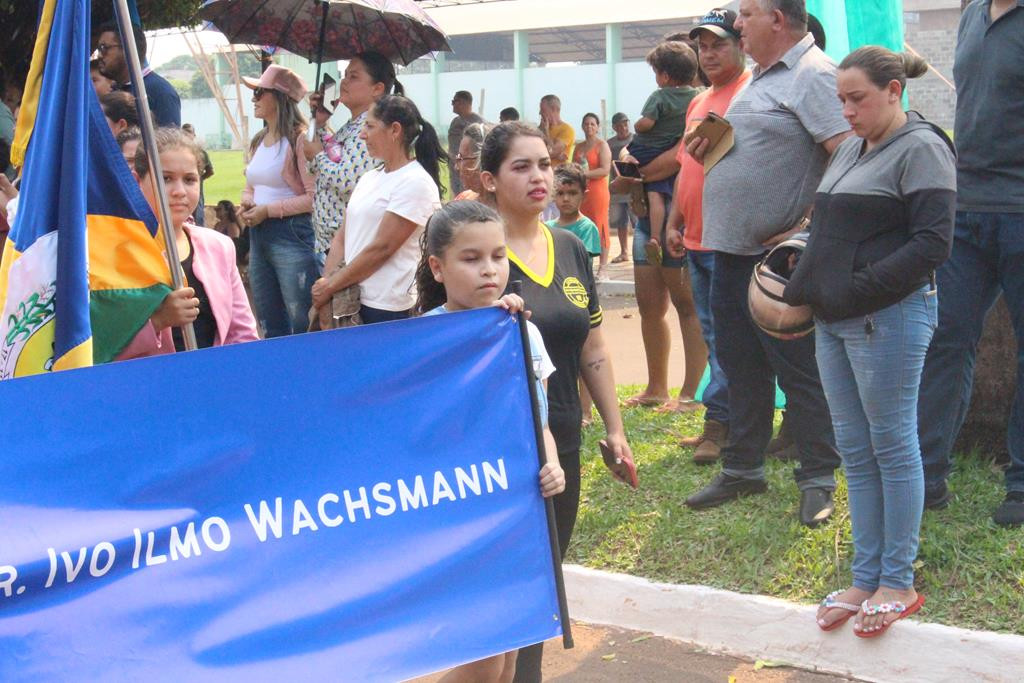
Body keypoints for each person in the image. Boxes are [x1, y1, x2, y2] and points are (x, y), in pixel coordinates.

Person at [783, 47, 953, 636]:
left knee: (893, 445)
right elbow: (828, 226)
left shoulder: (924, 148)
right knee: (855, 448)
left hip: (891, 317)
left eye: (857, 98)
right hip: (836, 318)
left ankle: (898, 580)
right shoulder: (853, 147)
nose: (847, 111)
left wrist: (855, 289)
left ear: (893, 91)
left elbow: (933, 246)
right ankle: (866, 576)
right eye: (842, 100)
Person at [477, 122, 633, 683]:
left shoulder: (569, 245)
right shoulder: (479, 252)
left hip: (560, 440)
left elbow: (592, 345)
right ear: (489, 180)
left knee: (545, 581)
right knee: (507, 589)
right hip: (495, 449)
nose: (539, 177)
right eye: (521, 167)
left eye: (544, 164)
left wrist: (615, 430)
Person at [684, 0, 849, 526]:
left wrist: (808, 228)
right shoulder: (760, 78)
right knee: (740, 364)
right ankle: (743, 470)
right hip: (730, 253)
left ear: (778, 19)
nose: (736, 24)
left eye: (747, 14)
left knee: (800, 373)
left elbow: (848, 154)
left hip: (776, 264)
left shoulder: (814, 74)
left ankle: (818, 478)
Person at [413, 200, 566, 683]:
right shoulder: (421, 341)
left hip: (520, 510)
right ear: (437, 267)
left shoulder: (524, 332)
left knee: (510, 655)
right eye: (471, 258)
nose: (489, 270)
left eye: (498, 256)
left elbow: (538, 421)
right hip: (459, 514)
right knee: (481, 659)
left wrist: (553, 464)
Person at [918, 0, 1024, 526]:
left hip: (1021, 208)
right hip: (967, 208)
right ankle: (926, 475)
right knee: (944, 337)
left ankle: (1022, 485)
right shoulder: (972, 15)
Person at [664, 8, 750, 462]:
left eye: (719, 44)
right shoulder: (700, 101)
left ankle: (724, 427)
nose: (709, 53)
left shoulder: (750, 92)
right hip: (696, 238)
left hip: (730, 239)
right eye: (703, 45)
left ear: (741, 44)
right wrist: (675, 220)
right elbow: (686, 166)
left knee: (731, 337)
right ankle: (722, 422)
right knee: (715, 333)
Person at [117, 127, 258, 359]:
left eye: (190, 180)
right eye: (166, 179)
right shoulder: (117, 252)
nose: (179, 191)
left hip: (212, 382)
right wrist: (158, 321)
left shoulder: (219, 247)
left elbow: (242, 333)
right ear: (136, 182)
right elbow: (100, 349)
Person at [311, 95, 445, 324]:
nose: (363, 134)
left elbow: (382, 248)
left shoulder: (415, 182)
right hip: (353, 299)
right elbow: (342, 238)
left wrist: (331, 285)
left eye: (370, 126)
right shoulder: (370, 178)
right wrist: (326, 287)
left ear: (394, 130)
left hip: (387, 306)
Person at [240, 64, 319, 338]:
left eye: (260, 92)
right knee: (268, 319)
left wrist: (267, 211)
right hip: (259, 233)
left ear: (280, 97)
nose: (254, 98)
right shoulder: (259, 140)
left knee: (301, 319)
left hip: (291, 234)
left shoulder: (300, 140)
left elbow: (312, 198)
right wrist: (247, 203)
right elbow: (251, 185)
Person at [303, 53, 396, 264]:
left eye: (353, 77)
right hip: (337, 244)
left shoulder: (371, 130)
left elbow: (348, 181)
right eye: (344, 75)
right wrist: (316, 122)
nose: (344, 81)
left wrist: (318, 156)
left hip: (353, 246)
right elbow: (313, 164)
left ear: (377, 89)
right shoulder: (351, 127)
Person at [629, 41, 699, 256]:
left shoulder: (659, 96)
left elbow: (646, 124)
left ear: (665, 76)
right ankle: (655, 235)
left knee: (650, 189)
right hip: (671, 149)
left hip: (649, 149)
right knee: (659, 191)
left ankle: (654, 235)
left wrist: (638, 125)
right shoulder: (697, 97)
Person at [94, 21, 181, 128]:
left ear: (128, 49)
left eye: (104, 48)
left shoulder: (161, 93)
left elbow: (169, 143)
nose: (99, 56)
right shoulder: (113, 91)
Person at [572, 113, 612, 280]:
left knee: (599, 225)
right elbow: (573, 166)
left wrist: (585, 174)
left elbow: (605, 170)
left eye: (592, 124)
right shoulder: (579, 147)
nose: (589, 127)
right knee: (580, 225)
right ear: (582, 126)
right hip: (581, 191)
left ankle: (602, 268)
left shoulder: (602, 145)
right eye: (586, 124)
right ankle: (583, 265)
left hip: (597, 191)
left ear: (598, 127)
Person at [546, 164, 600, 258]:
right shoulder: (547, 228)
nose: (566, 199)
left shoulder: (587, 228)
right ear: (553, 195)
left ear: (584, 196)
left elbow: (580, 261)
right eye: (560, 193)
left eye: (572, 193)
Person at [606, 112, 633, 264]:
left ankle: (642, 251)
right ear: (614, 127)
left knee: (640, 221)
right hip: (616, 188)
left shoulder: (635, 140)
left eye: (625, 124)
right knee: (620, 222)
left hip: (634, 186)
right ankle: (624, 252)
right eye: (619, 125)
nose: (623, 127)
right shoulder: (610, 144)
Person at [447, 91, 485, 197]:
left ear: (464, 103)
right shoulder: (455, 122)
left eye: (455, 101)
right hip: (455, 167)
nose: (452, 105)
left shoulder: (479, 123)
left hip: (469, 168)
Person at [182, 123, 213, 227]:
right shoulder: (177, 152)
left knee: (198, 216)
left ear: (194, 135)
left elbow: (210, 171)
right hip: (181, 188)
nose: (186, 134)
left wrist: (199, 179)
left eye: (189, 132)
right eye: (184, 132)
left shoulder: (201, 153)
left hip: (196, 191)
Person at [453, 122, 493, 202]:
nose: (456, 167)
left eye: (461, 158)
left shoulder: (511, 208)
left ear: (480, 160)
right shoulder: (463, 200)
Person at [538, 95, 574, 166]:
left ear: (554, 109)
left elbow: (552, 152)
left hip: (559, 175)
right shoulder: (539, 129)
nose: (540, 113)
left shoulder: (567, 130)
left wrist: (546, 133)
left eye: (543, 110)